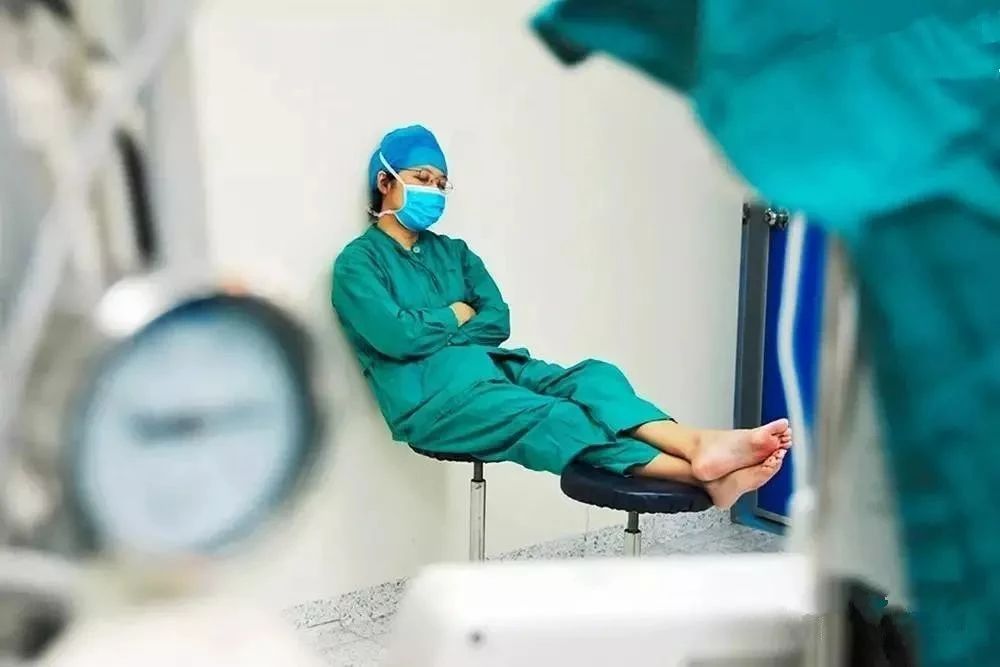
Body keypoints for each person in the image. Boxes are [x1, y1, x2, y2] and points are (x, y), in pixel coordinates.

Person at [331, 125, 792, 509]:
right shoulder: (358, 264)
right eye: (421, 178)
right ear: (385, 181)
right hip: (432, 401)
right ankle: (701, 475)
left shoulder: (454, 253)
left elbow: (496, 321)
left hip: (496, 369)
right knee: (559, 417)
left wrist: (432, 326)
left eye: (439, 183)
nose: (432, 190)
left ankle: (695, 444)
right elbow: (396, 337)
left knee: (595, 377)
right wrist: (456, 313)